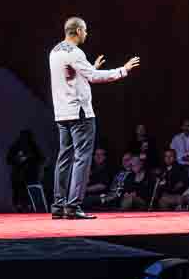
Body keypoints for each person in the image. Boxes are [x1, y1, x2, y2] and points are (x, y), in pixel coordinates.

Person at [49, 16, 140, 221]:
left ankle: (58, 205)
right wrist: (123, 70)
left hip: (62, 113)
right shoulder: (76, 52)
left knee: (64, 158)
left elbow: (72, 77)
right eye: (86, 31)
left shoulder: (55, 51)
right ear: (78, 31)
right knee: (82, 159)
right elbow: (92, 78)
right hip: (80, 114)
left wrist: (91, 67)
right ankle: (73, 206)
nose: (87, 34)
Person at [5, 127, 44, 210]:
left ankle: (30, 206)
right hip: (18, 173)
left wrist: (30, 158)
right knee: (17, 190)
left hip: (30, 174)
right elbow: (8, 159)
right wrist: (18, 160)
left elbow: (40, 158)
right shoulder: (15, 146)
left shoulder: (33, 146)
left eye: (27, 137)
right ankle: (17, 206)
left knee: (29, 191)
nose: (25, 139)